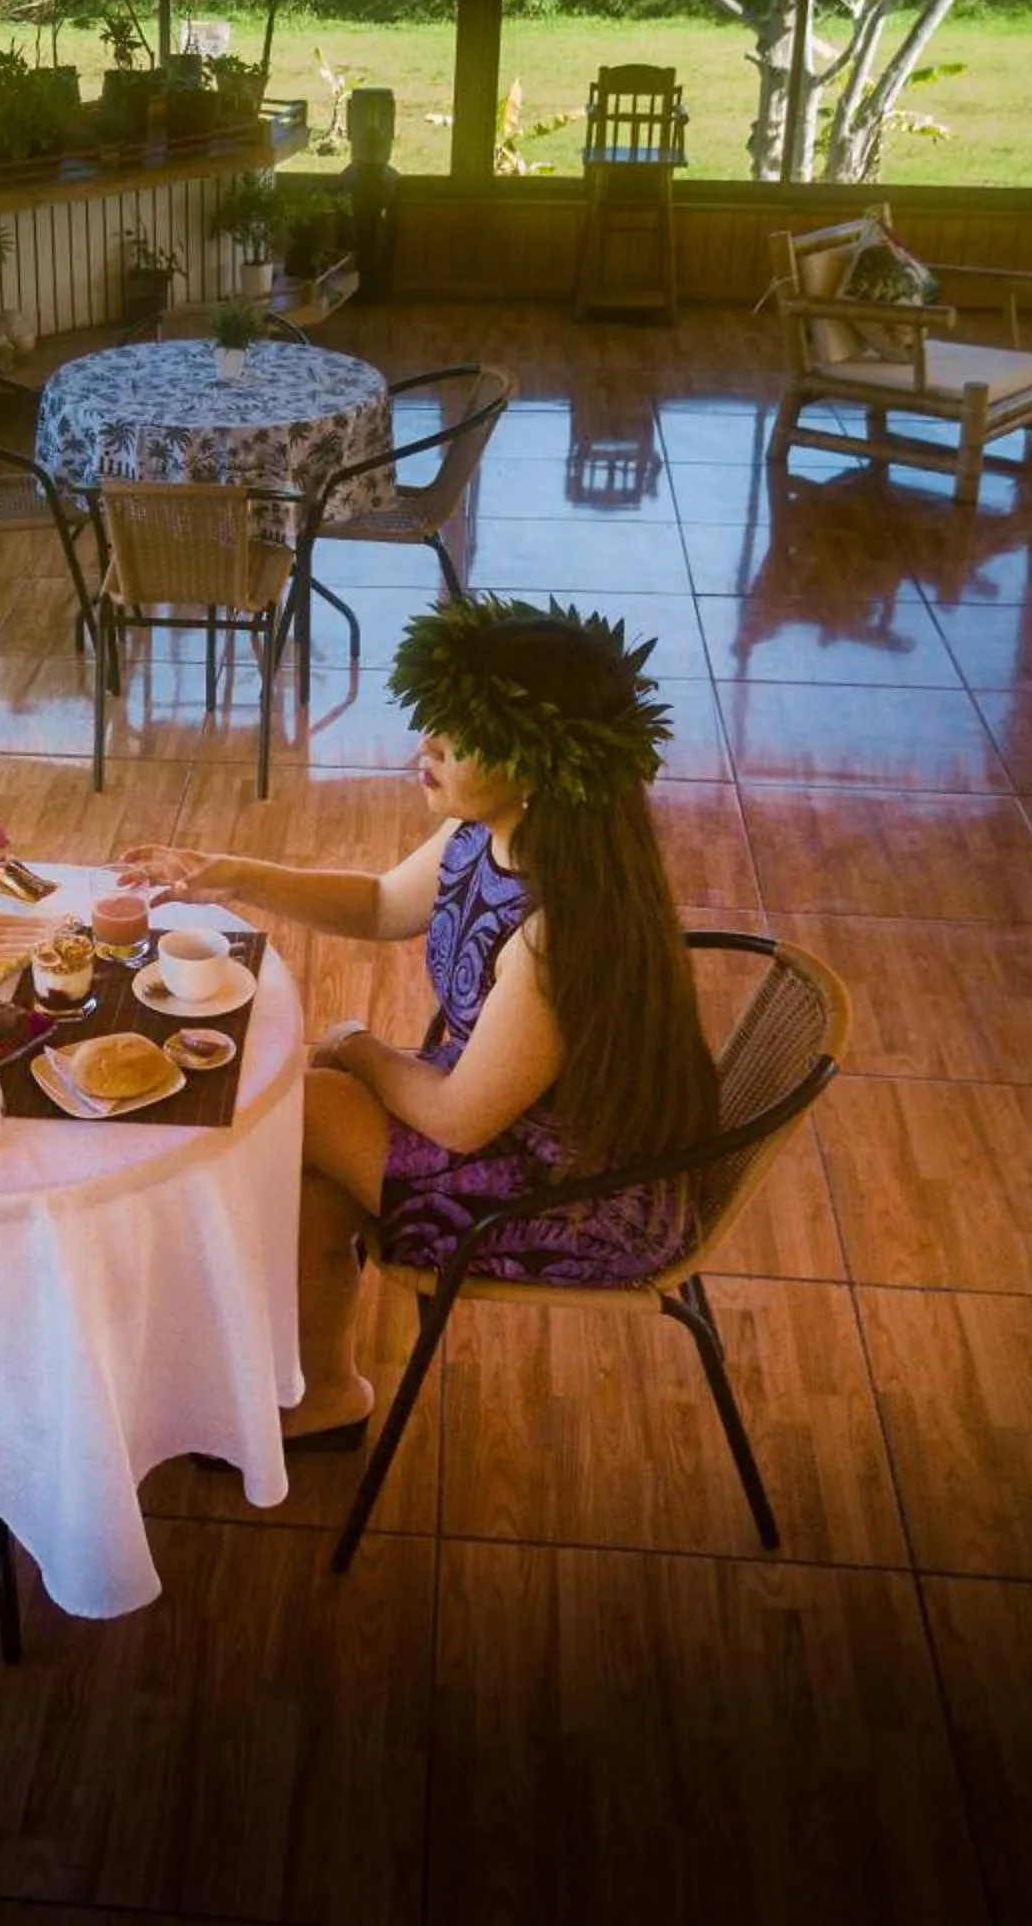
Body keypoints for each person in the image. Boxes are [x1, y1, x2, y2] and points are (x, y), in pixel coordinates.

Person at [120, 597, 716, 1444]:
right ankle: (323, 1392)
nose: (421, 750)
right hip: (515, 1122)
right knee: (307, 1162)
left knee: (300, 1106)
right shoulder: (493, 832)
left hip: (578, 1198)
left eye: (451, 739)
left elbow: (460, 1121)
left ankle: (153, 1318)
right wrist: (235, 875)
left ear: (538, 760)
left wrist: (359, 1048)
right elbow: (377, 901)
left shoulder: (562, 930)